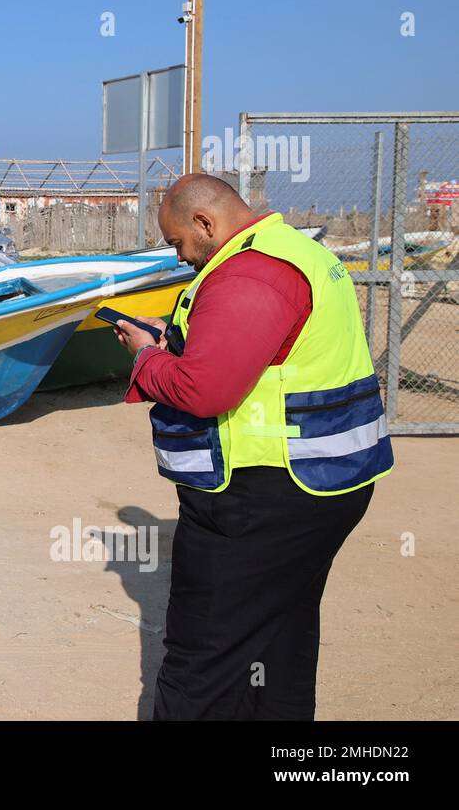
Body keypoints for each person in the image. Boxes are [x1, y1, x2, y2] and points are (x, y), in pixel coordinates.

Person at [114, 174, 392, 720]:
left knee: (203, 658)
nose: (182, 257)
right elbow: (263, 352)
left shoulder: (249, 274)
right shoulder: (290, 252)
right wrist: (175, 339)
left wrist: (147, 358)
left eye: (179, 244)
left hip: (261, 496)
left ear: (205, 223)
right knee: (278, 641)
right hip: (322, 483)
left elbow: (205, 388)